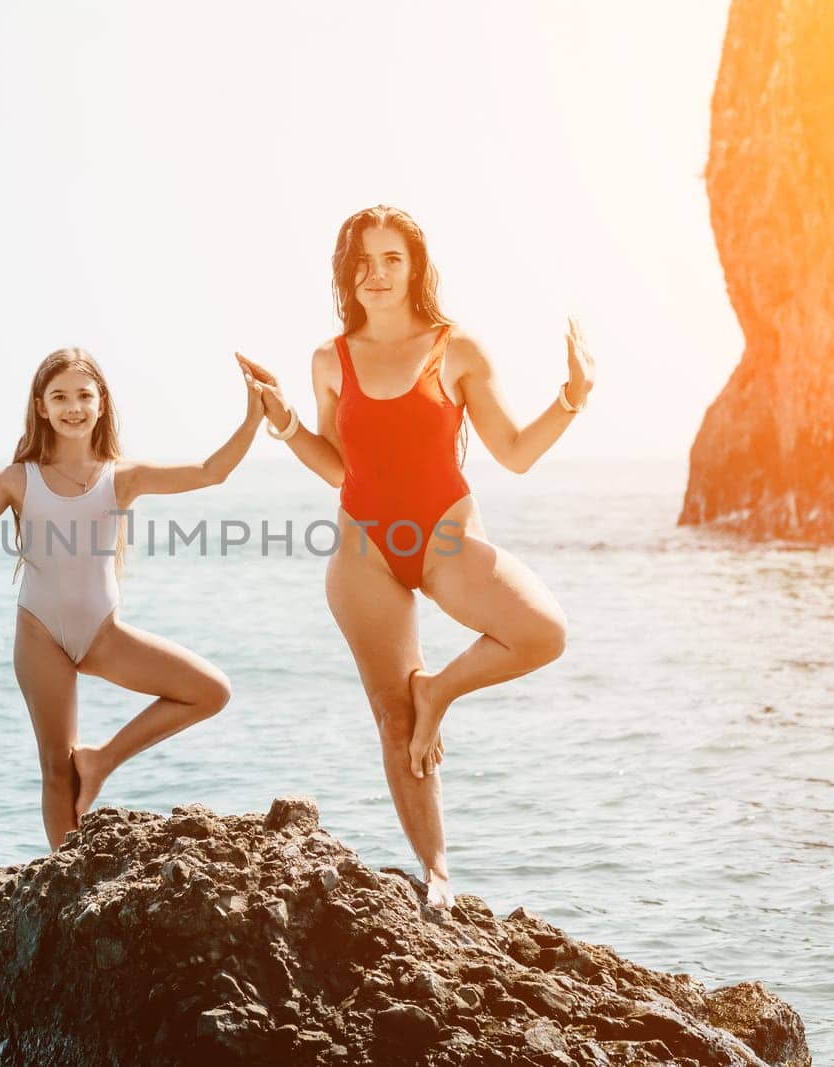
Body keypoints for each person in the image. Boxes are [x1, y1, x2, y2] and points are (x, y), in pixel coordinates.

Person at [238, 205, 596, 909]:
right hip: (364, 552)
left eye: (391, 259)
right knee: (391, 715)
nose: (376, 274)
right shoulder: (330, 358)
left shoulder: (454, 349)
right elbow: (341, 468)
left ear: (415, 268)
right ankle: (437, 873)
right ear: (348, 273)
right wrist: (281, 421)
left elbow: (515, 453)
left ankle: (441, 688)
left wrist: (571, 397)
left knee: (543, 631)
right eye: (362, 262)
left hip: (447, 541)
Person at [0, 347, 263, 849]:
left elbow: (211, 470)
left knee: (211, 690)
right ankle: (62, 879)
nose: (73, 407)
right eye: (59, 397)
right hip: (40, 636)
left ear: (101, 403)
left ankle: (102, 759)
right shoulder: (17, 480)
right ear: (41, 406)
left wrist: (254, 415)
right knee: (56, 770)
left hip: (102, 634)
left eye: (84, 396)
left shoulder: (122, 477)